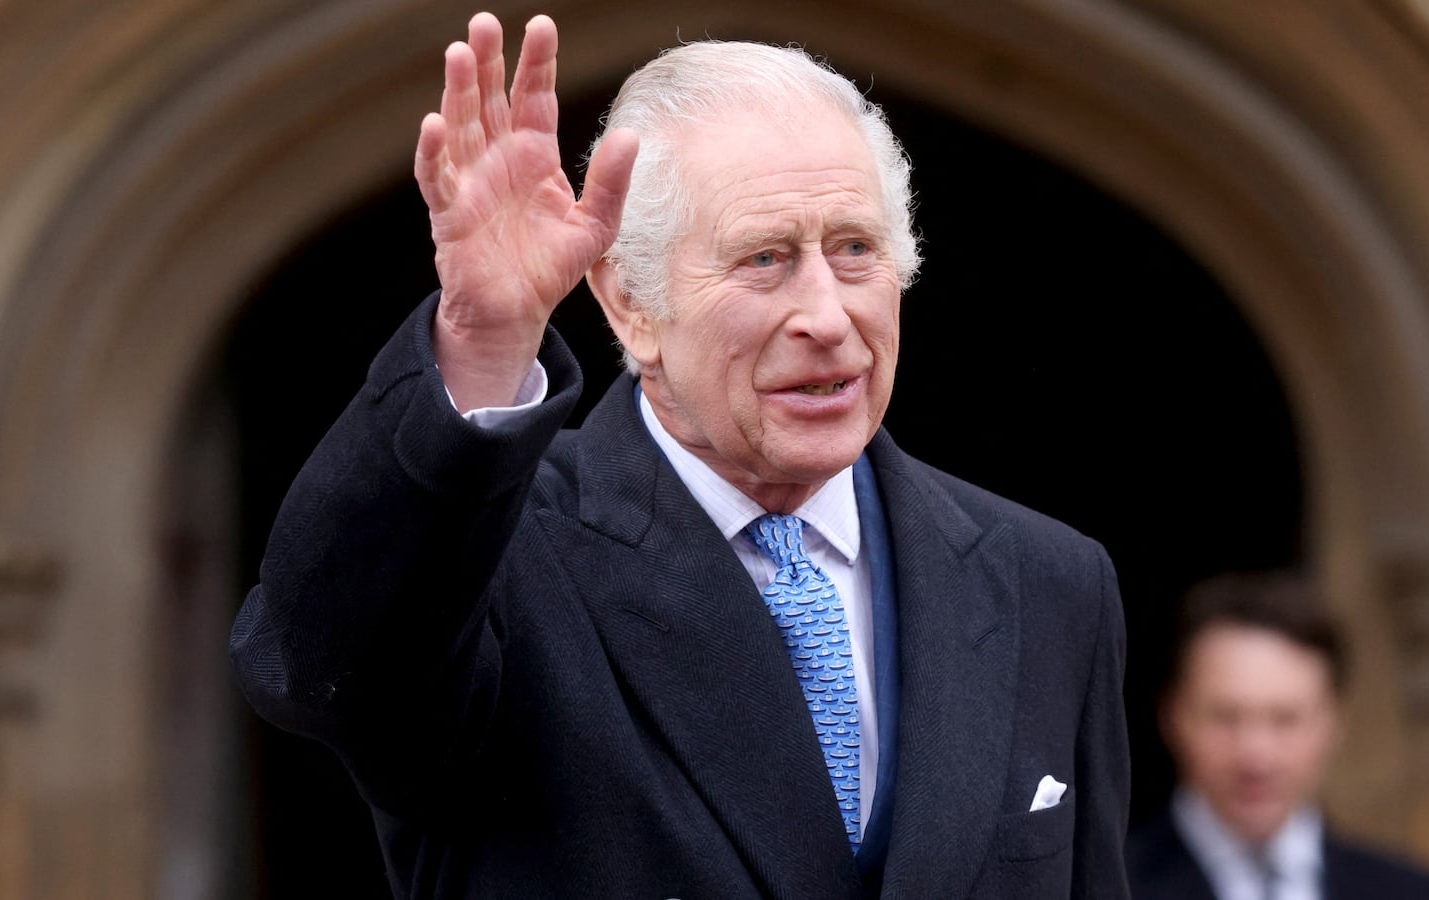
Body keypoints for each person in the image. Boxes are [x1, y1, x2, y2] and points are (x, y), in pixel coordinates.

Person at [230, 10, 1129, 898]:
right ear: (631, 305)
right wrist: (485, 338)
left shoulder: (1049, 579)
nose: (827, 315)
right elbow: (313, 667)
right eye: (765, 259)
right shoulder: (499, 562)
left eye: (855, 250)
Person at [1125, 570, 1429, 900]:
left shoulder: (1418, 893)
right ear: (1172, 717)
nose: (1256, 755)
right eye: (1225, 718)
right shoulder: (1104, 886)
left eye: (1285, 719)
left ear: (1334, 722)